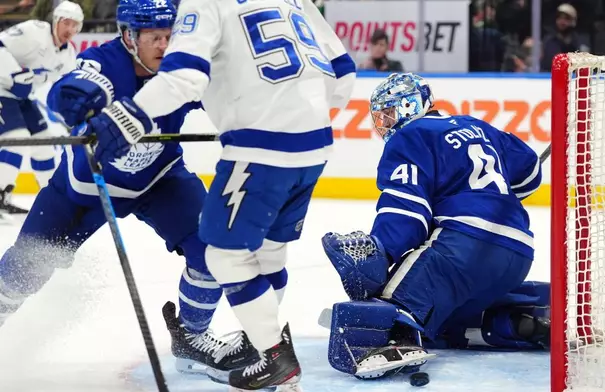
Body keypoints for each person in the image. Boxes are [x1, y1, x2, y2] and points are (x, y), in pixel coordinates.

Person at [74, 0, 357, 388]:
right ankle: (265, 347)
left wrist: (124, 119)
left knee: (224, 255)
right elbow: (343, 70)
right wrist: (299, 116)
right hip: (315, 146)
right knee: (269, 251)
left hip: (261, 150)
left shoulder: (205, 2)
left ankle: (275, 357)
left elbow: (184, 77)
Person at [0, 0, 259, 382]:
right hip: (84, 190)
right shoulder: (107, 62)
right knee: (22, 270)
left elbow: (231, 94)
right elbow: (74, 87)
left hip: (161, 181)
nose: (165, 46)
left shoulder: (184, 62)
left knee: (214, 247)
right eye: (155, 37)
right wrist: (76, 100)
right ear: (128, 36)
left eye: (171, 36)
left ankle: (192, 337)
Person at [321, 72, 550, 378]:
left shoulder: (411, 135)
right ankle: (517, 321)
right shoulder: (479, 126)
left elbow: (407, 213)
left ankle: (393, 338)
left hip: (462, 246)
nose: (385, 123)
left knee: (394, 305)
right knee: (442, 321)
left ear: (409, 106)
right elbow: (530, 174)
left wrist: (382, 254)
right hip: (517, 253)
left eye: (389, 114)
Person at [0, 0, 83, 220]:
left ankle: (53, 199)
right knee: (17, 139)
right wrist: (14, 74)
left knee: (45, 143)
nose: (71, 30)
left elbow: (67, 89)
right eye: (67, 23)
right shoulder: (33, 31)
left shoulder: (68, 54)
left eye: (76, 26)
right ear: (56, 20)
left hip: (21, 98)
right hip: (1, 90)